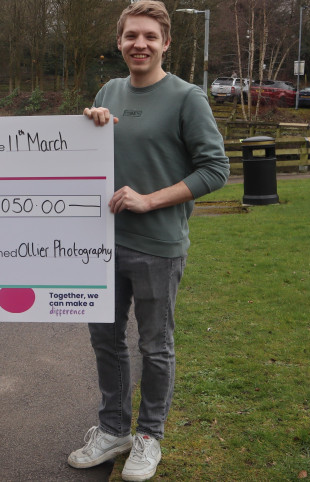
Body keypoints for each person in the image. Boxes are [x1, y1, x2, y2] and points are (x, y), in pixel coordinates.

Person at [68, 2, 229, 481]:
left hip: (157, 245)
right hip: (101, 245)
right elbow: (92, 158)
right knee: (106, 341)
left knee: (155, 346)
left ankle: (148, 437)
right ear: (119, 42)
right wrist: (88, 125)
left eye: (150, 37)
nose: (140, 44)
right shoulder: (109, 91)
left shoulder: (187, 97)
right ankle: (114, 429)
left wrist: (150, 200)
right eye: (131, 36)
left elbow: (216, 169)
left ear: (166, 44)